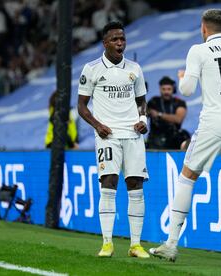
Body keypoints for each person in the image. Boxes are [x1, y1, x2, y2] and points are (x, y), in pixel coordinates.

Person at [149, 9, 221, 270]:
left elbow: (188, 90)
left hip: (214, 123)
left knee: (187, 176)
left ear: (203, 28)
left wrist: (183, 78)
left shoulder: (198, 51)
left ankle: (170, 244)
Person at [77, 21, 149, 259]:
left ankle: (136, 245)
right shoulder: (92, 68)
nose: (120, 43)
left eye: (123, 39)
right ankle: (107, 243)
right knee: (108, 183)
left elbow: (141, 100)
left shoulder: (135, 69)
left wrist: (142, 119)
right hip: (107, 135)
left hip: (133, 135)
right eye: (115, 40)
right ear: (105, 43)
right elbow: (81, 106)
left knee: (136, 186)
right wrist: (98, 126)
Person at [147, 76, 189, 149]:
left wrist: (159, 114)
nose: (166, 92)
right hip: (156, 137)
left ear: (173, 89)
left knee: (184, 135)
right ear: (160, 89)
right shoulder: (154, 101)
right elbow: (145, 114)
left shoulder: (179, 102)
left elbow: (178, 119)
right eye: (163, 89)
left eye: (169, 89)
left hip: (174, 137)